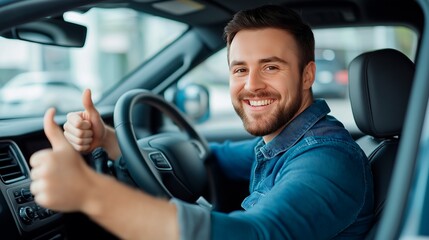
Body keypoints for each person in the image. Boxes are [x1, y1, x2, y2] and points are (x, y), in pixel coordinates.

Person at [29, 4, 374, 240]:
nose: (251, 84)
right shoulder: (283, 142)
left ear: (307, 75)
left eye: (270, 67)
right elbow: (210, 157)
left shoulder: (328, 158)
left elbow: (257, 234)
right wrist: (107, 138)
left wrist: (91, 194)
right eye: (240, 69)